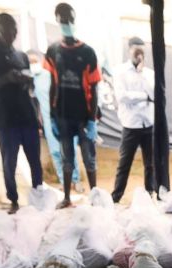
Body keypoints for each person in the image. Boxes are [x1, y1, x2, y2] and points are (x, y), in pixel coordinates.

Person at [0, 14, 43, 214]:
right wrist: (6, 78)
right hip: (5, 118)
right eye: (8, 31)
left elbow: (31, 88)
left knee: (34, 161)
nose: (12, 36)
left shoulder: (21, 56)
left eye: (14, 32)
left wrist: (26, 80)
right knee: (9, 162)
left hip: (27, 115)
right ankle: (13, 201)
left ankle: (38, 198)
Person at [44, 3, 101, 209]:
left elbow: (94, 89)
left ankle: (94, 197)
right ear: (57, 20)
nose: (66, 23)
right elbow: (53, 84)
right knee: (67, 158)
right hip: (63, 116)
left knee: (89, 159)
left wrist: (92, 120)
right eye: (62, 19)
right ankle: (67, 197)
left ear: (74, 21)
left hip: (84, 117)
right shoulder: (53, 51)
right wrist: (51, 116)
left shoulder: (87, 52)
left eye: (69, 19)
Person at [110, 37, 155, 203]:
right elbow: (123, 97)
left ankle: (150, 194)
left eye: (142, 52)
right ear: (129, 50)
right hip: (131, 124)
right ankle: (116, 197)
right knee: (124, 164)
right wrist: (145, 96)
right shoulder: (120, 71)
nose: (139, 55)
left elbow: (154, 94)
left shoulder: (150, 73)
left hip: (148, 123)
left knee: (150, 164)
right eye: (136, 51)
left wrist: (141, 73)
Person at [28, 49, 80, 191]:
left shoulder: (51, 76)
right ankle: (64, 182)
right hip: (47, 121)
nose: (33, 64)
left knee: (69, 150)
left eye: (35, 61)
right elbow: (34, 103)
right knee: (56, 152)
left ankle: (76, 180)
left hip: (62, 118)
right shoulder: (30, 80)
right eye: (30, 62)